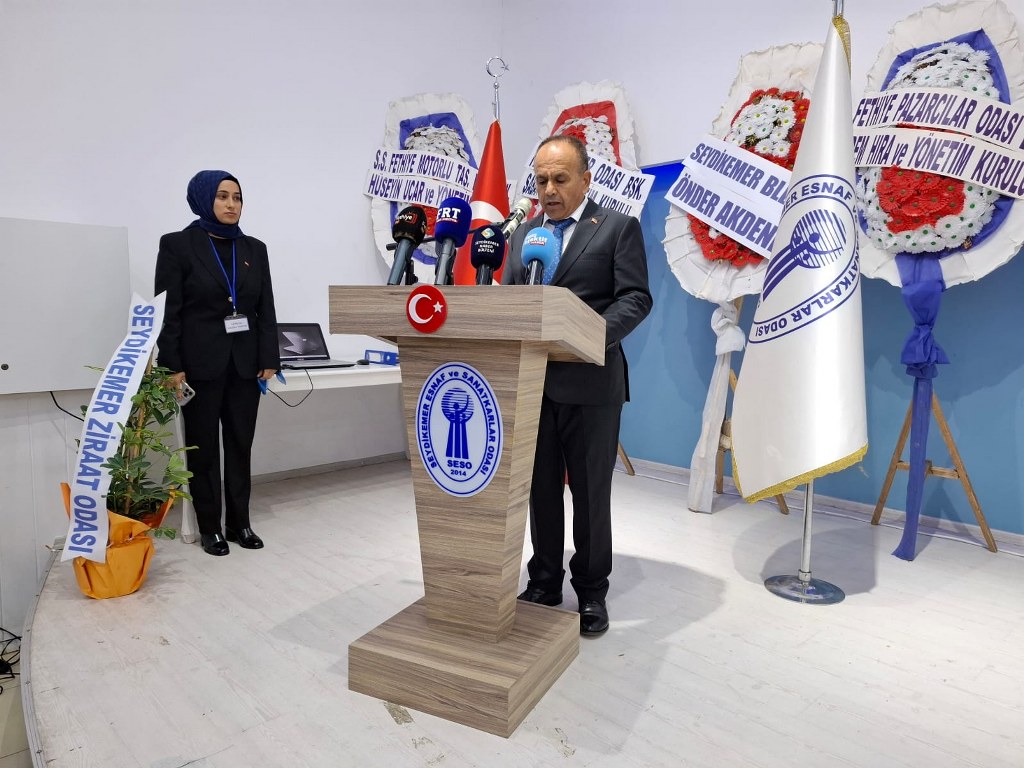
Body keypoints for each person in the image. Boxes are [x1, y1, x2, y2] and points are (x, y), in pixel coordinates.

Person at [502, 135, 652, 636]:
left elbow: (635, 298)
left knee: (590, 493)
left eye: (560, 179)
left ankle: (591, 591)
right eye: (541, 179)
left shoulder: (616, 228)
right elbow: (512, 299)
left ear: (585, 180)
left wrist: (588, 336)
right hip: (531, 383)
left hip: (590, 383)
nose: (548, 189)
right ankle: (544, 580)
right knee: (540, 490)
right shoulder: (524, 235)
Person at [155, 170, 279, 556]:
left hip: (245, 365)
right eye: (223, 196)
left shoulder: (254, 248)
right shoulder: (178, 245)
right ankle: (210, 527)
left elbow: (265, 308)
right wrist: (172, 365)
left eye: (237, 197)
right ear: (204, 199)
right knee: (203, 448)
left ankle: (240, 523)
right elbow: (169, 312)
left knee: (240, 445)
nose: (231, 204)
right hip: (198, 366)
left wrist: (269, 357)